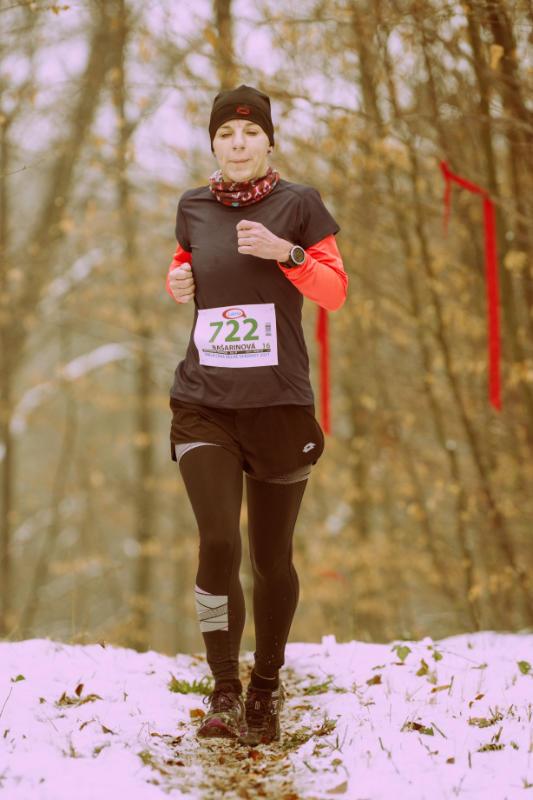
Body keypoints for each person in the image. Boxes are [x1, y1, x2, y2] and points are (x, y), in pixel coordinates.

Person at [165, 84, 348, 746]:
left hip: (278, 406)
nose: (237, 143)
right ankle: (224, 690)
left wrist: (286, 253)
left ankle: (266, 685)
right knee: (218, 541)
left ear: (269, 141)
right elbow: (185, 268)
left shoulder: (298, 204)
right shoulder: (193, 206)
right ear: (213, 144)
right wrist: (176, 281)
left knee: (271, 559)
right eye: (225, 134)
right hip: (204, 403)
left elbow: (334, 291)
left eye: (249, 133)